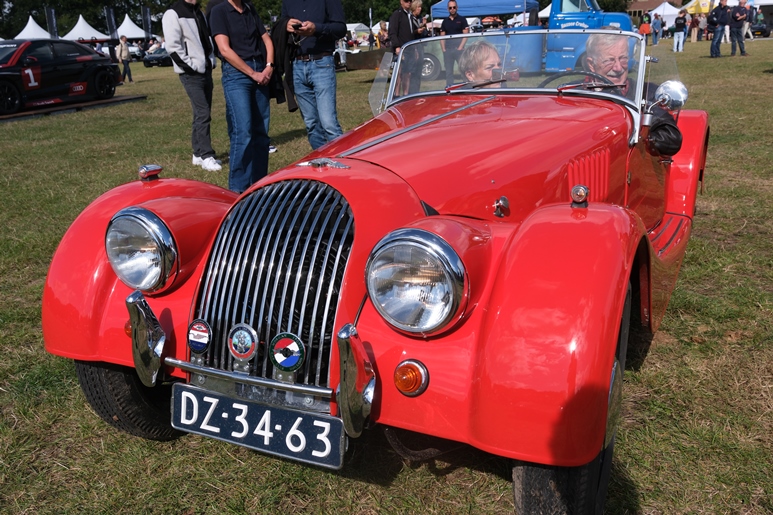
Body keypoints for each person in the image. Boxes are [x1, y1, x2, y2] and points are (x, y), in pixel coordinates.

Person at [209, 0, 274, 193]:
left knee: (261, 133)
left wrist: (269, 66)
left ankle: (260, 187)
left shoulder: (249, 9)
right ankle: (238, 191)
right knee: (243, 132)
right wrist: (252, 73)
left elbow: (267, 40)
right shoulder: (219, 11)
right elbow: (224, 50)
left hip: (260, 69)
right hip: (236, 74)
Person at [163, 0, 221, 172]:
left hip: (205, 70)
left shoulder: (199, 12)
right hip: (191, 73)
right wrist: (191, 67)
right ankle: (206, 155)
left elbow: (206, 39)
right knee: (203, 113)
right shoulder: (173, 13)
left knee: (201, 113)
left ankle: (197, 153)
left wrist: (210, 61)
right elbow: (173, 47)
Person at [282, 0, 346, 151]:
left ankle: (342, 160)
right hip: (297, 64)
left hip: (322, 62)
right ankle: (322, 160)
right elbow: (280, 25)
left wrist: (316, 28)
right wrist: (286, 25)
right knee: (311, 124)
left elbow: (341, 28)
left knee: (329, 123)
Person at [440, 0, 469, 87]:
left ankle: (467, 88)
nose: (452, 9)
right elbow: (442, 37)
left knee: (463, 70)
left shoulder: (462, 19)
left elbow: (466, 35)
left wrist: (460, 47)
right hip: (448, 50)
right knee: (448, 72)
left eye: (454, 7)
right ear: (447, 9)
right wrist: (444, 50)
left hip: (459, 50)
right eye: (450, 8)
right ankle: (450, 88)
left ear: (457, 8)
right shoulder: (445, 21)